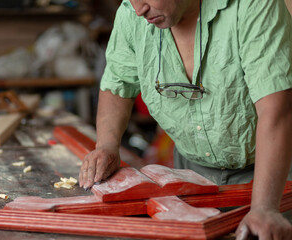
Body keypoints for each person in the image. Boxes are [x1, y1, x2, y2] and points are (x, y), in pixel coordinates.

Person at [79, 0, 292, 239]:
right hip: (192, 176)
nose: (139, 10)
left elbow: (276, 111)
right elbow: (119, 83)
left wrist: (265, 207)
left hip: (275, 178)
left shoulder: (253, 5)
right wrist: (107, 145)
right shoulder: (131, 13)